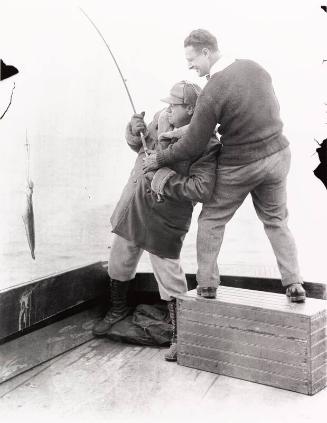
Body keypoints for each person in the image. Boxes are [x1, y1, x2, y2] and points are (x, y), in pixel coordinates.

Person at [143, 29, 306, 303]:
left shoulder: (213, 89)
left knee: (212, 220)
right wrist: (179, 133)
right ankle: (294, 284)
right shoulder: (255, 68)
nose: (190, 66)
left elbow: (195, 143)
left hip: (241, 164)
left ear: (207, 52)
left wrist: (159, 159)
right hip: (278, 155)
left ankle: (206, 286)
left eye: (192, 59)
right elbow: (256, 112)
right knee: (276, 221)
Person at [92, 80, 221, 361]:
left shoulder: (207, 143)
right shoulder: (161, 120)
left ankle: (180, 334)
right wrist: (133, 131)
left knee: (169, 277)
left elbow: (202, 189)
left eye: (173, 105)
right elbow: (140, 147)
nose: (167, 110)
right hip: (135, 204)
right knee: (120, 259)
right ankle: (117, 311)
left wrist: (166, 179)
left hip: (166, 217)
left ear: (190, 109)